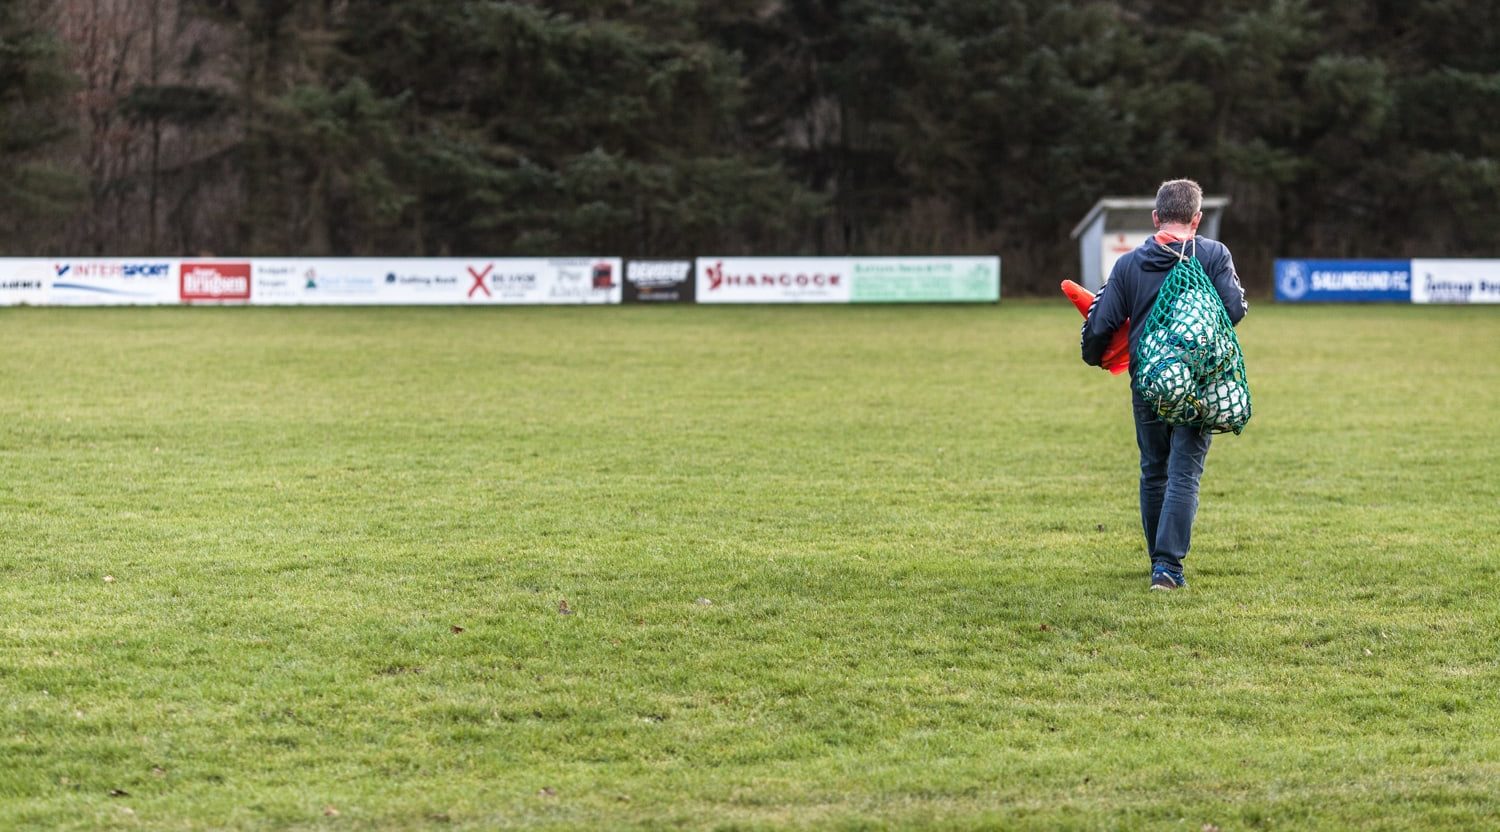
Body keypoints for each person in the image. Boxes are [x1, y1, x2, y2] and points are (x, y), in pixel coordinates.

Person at [1080, 179, 1248, 591]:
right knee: (1184, 472)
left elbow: (1100, 324)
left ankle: (1160, 561)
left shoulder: (1129, 265)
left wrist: (1096, 354)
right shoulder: (1213, 255)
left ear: (1155, 218)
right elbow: (1234, 308)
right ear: (1197, 219)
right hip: (1200, 382)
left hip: (1149, 383)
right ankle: (1168, 568)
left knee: (1154, 470)